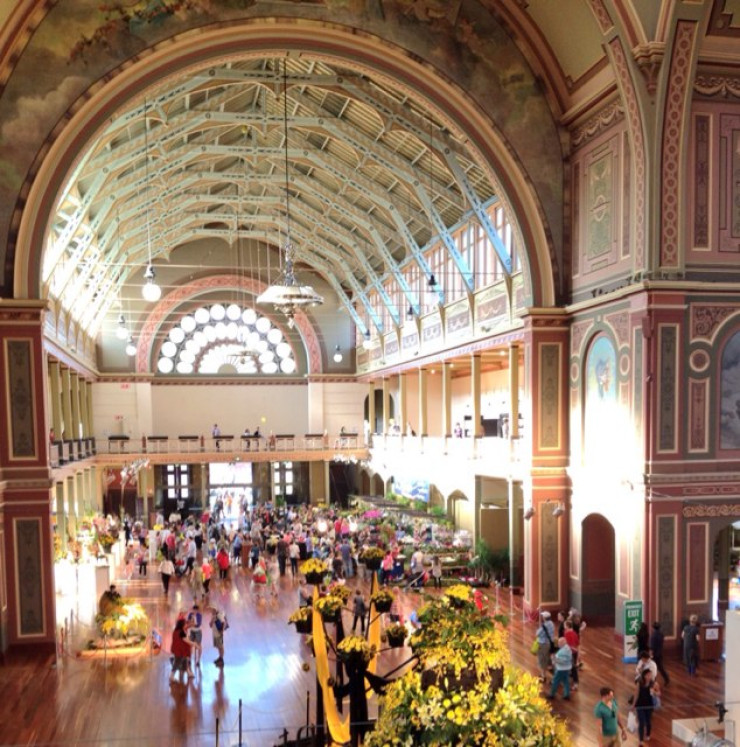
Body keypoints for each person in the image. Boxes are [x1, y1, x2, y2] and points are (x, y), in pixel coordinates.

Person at [632, 668, 660, 746]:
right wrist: (633, 705)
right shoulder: (639, 683)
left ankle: (648, 734)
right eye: (648, 675)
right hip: (640, 705)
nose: (649, 676)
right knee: (641, 722)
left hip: (649, 705)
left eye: (650, 675)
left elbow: (659, 693)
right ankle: (640, 739)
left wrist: (654, 692)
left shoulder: (654, 683)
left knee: (648, 721)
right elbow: (636, 694)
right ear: (644, 675)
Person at [170, 618, 197, 683]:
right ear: (182, 625)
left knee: (185, 661)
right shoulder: (181, 632)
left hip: (179, 650)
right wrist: (195, 644)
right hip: (180, 650)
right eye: (185, 624)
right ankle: (171, 676)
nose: (186, 625)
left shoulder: (176, 630)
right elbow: (186, 640)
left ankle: (188, 673)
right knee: (177, 663)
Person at [535, 610, 556, 683]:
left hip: (543, 644)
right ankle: (554, 676)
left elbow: (537, 634)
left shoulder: (544, 625)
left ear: (544, 618)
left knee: (542, 660)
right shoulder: (552, 624)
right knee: (548, 660)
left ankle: (543, 676)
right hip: (550, 643)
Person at [649, 621, 670, 685]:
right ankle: (666, 679)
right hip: (659, 653)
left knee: (653, 668)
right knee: (660, 668)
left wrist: (651, 654)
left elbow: (652, 647)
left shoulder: (653, 636)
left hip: (655, 654)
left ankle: (653, 681)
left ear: (653, 628)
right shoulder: (661, 634)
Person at [186, 603, 203, 668]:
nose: (195, 611)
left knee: (198, 645)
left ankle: (198, 660)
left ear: (197, 610)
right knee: (190, 645)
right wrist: (190, 623)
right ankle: (189, 659)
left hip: (198, 631)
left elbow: (198, 624)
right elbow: (188, 621)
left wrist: (192, 623)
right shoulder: (190, 614)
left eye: (196, 610)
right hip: (192, 631)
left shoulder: (199, 615)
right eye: (194, 610)